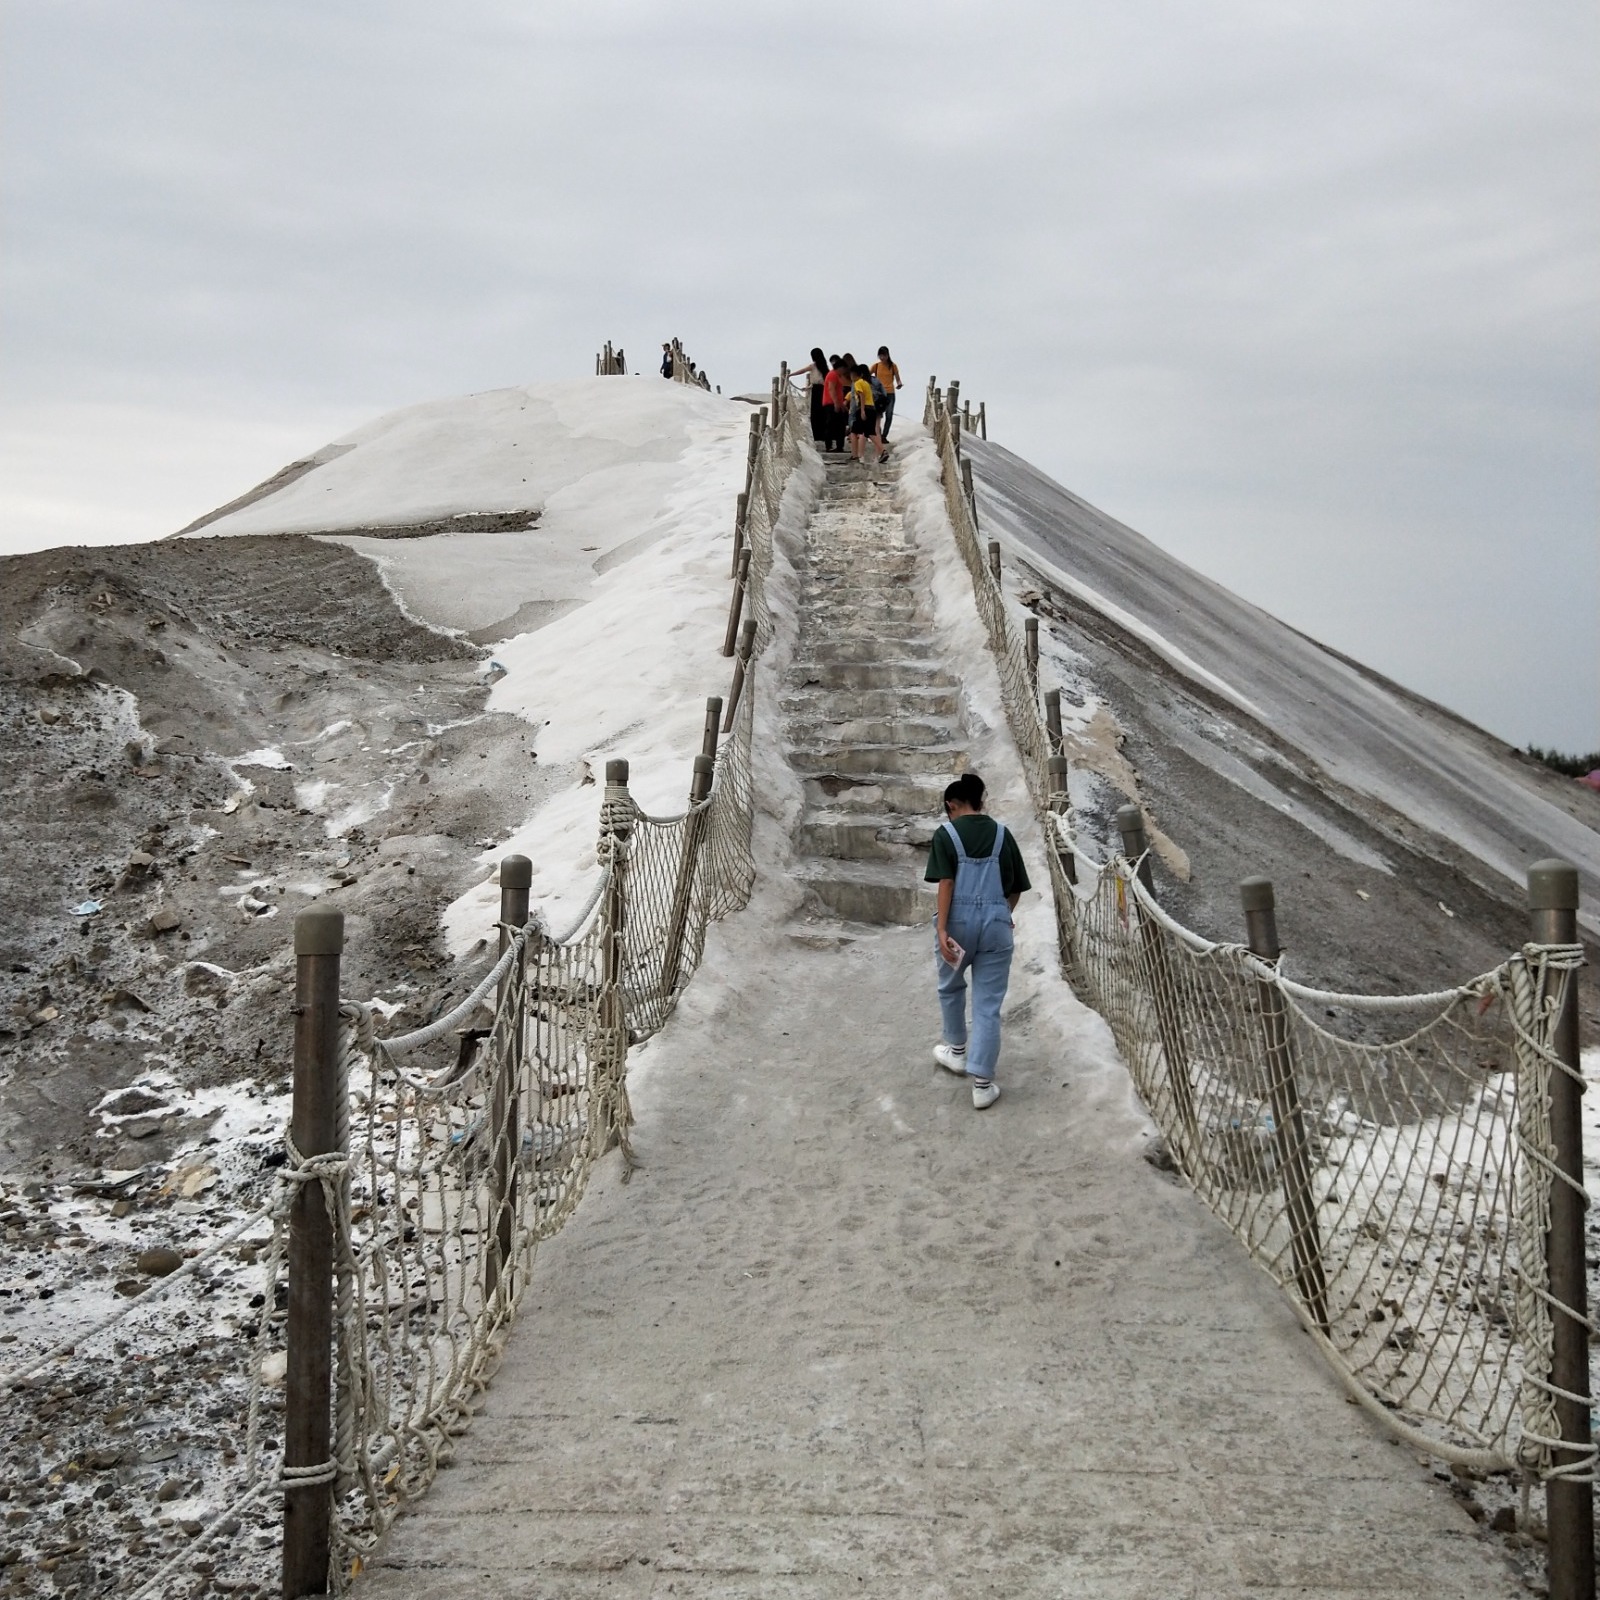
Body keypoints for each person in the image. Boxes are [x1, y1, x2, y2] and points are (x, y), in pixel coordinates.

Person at [924, 771, 1031, 1108]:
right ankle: (983, 1086)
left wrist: (942, 929)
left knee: (951, 986)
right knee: (988, 1004)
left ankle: (957, 1052)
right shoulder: (1003, 834)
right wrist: (1002, 913)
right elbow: (1014, 889)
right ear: (980, 802)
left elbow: (946, 884)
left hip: (958, 922)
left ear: (951, 805)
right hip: (997, 923)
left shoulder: (946, 834)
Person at [795, 347, 829, 445]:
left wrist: (791, 375)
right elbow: (822, 381)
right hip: (823, 390)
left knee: (815, 412)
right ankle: (823, 435)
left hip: (816, 391)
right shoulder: (824, 366)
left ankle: (816, 435)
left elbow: (803, 370)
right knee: (822, 412)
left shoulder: (813, 365)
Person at [871, 346, 902, 453]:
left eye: (883, 355)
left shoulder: (893, 366)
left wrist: (899, 384)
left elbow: (898, 378)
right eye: (880, 355)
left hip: (890, 393)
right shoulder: (876, 366)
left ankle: (884, 435)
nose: (882, 357)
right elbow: (867, 376)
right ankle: (878, 434)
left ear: (888, 355)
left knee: (889, 414)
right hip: (879, 394)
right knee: (878, 415)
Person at [849, 363, 878, 463]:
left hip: (863, 409)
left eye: (852, 375)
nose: (851, 378)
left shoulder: (857, 383)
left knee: (854, 432)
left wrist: (862, 411)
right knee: (868, 433)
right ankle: (881, 450)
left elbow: (861, 396)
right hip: (871, 409)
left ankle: (855, 455)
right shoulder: (866, 383)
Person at [821, 355, 848, 453]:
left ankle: (839, 446)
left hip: (837, 403)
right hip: (830, 403)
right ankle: (829, 445)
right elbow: (831, 389)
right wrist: (836, 403)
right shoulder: (832, 375)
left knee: (840, 426)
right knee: (831, 424)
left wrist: (841, 404)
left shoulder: (838, 376)